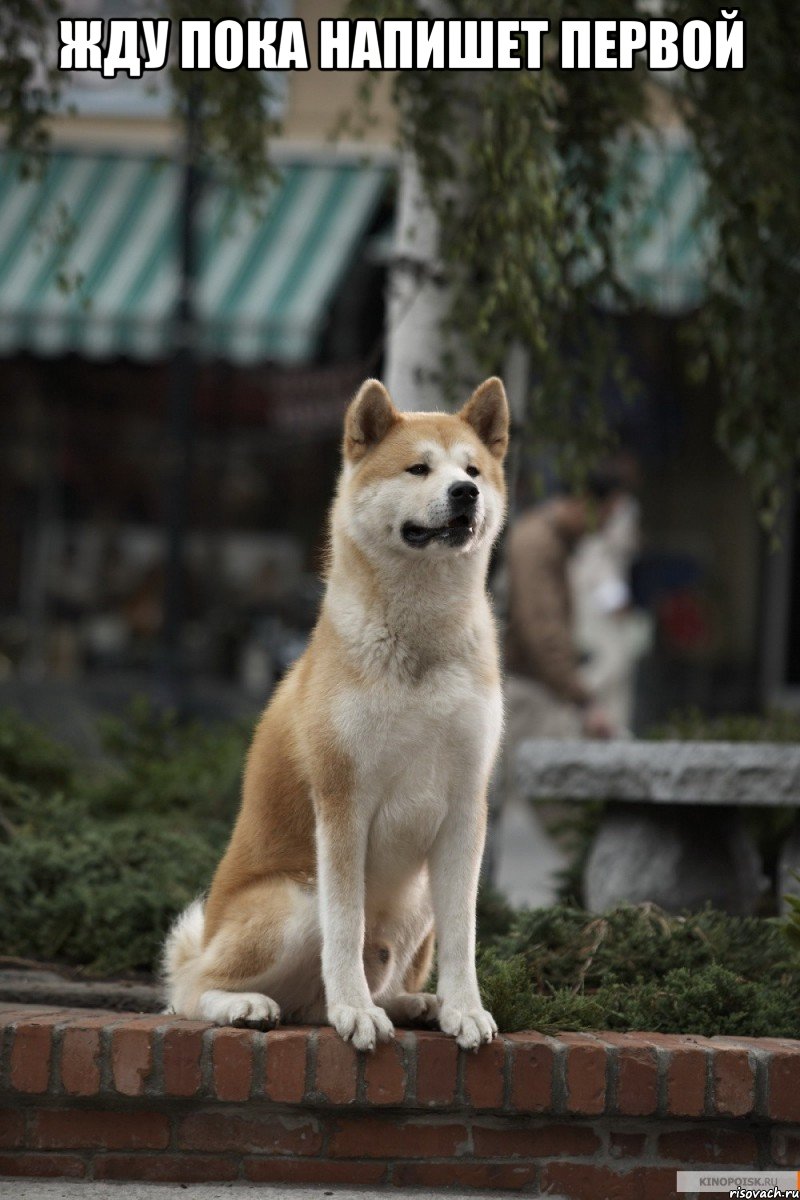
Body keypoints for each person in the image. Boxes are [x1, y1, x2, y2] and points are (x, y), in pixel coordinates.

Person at [504, 470, 627, 743]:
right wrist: (583, 701)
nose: (605, 527)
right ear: (586, 502)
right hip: (527, 691)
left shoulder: (551, 541)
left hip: (537, 687)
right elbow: (542, 630)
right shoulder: (538, 544)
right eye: (606, 515)